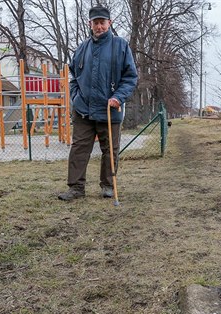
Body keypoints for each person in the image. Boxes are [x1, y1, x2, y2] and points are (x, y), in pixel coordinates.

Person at [58, 5, 138, 201]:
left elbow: (130, 77)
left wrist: (118, 97)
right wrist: (76, 99)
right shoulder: (82, 48)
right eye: (96, 23)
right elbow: (74, 77)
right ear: (90, 24)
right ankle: (76, 188)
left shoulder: (121, 46)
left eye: (103, 22)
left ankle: (108, 186)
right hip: (83, 110)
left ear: (109, 23)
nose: (99, 26)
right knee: (79, 148)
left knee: (110, 150)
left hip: (110, 109)